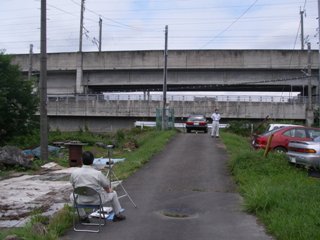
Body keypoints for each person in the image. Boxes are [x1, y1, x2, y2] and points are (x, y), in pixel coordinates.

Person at [70, 151, 126, 222]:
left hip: (80, 200)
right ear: (93, 161)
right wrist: (109, 191)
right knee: (113, 193)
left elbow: (73, 186)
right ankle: (118, 215)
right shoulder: (97, 173)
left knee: (72, 196)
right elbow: (106, 185)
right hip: (96, 200)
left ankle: (83, 217)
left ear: (81, 160)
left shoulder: (75, 173)